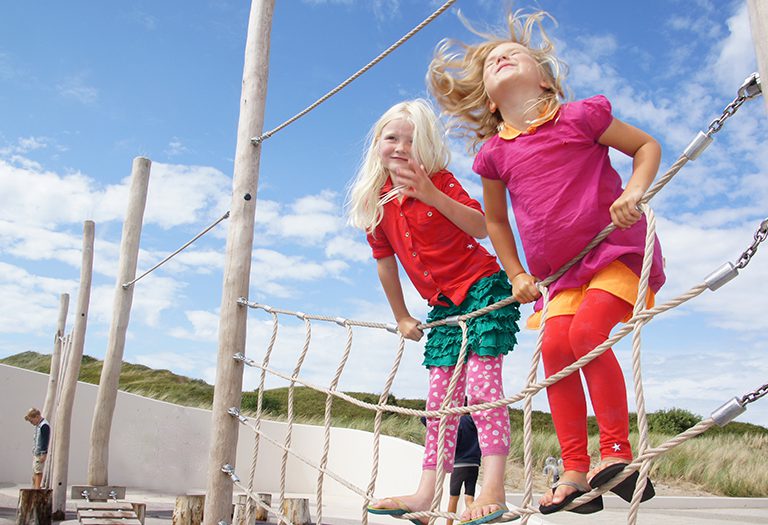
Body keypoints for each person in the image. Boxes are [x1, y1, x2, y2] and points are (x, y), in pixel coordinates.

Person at [428, 10, 665, 515]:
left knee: (586, 336)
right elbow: (496, 222)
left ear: (543, 76)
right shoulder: (494, 155)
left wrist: (635, 192)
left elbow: (646, 145)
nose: (500, 57)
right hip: (559, 278)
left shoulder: (581, 117)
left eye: (513, 54)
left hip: (614, 250)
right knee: (556, 354)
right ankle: (575, 471)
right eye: (492, 62)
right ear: (491, 100)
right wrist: (516, 273)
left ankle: (618, 453)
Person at [347, 99, 521, 525]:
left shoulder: (439, 180)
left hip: (481, 291)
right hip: (442, 308)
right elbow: (385, 263)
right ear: (377, 143)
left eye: (413, 140)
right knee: (438, 403)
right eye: (392, 138)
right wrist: (402, 315)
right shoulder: (376, 203)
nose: (402, 147)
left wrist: (428, 193)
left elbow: (481, 226)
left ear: (425, 147)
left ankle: (493, 488)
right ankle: (426, 493)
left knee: (481, 391)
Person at [24, 408, 51, 489]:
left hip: (40, 453)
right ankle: (35, 487)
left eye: (32, 421)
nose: (32, 423)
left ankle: (37, 488)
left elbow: (44, 440)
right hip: (37, 452)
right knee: (35, 470)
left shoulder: (44, 426)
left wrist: (43, 453)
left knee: (38, 471)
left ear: (37, 417)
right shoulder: (38, 425)